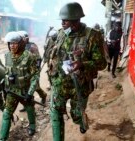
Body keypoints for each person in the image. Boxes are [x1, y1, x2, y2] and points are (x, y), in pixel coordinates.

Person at [48, 2, 106, 140]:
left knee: (76, 115)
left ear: (76, 20)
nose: (62, 23)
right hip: (59, 84)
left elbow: (102, 64)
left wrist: (82, 64)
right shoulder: (61, 33)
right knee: (55, 113)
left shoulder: (92, 36)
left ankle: (81, 121)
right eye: (62, 20)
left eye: (65, 20)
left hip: (79, 86)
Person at [0, 31, 39, 141]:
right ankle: (2, 138)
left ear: (20, 44)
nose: (12, 46)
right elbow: (6, 72)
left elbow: (35, 76)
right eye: (10, 43)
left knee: (30, 108)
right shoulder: (7, 56)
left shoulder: (29, 56)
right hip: (12, 91)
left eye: (15, 43)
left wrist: (30, 93)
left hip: (25, 91)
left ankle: (32, 126)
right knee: (6, 113)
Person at [17, 30, 47, 112]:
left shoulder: (32, 46)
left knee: (35, 87)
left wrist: (37, 70)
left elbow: (38, 59)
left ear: (26, 38)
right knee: (25, 89)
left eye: (22, 38)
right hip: (24, 71)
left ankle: (43, 96)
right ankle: (26, 105)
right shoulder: (19, 46)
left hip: (33, 70)